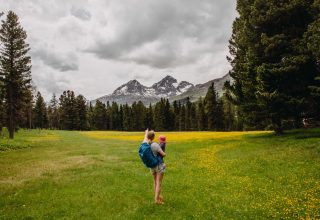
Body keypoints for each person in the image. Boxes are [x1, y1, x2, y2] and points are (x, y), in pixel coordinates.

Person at [142, 129, 166, 204]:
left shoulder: (145, 143)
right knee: (159, 182)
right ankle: (157, 200)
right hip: (158, 165)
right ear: (153, 137)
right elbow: (163, 154)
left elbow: (145, 138)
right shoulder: (155, 145)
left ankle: (157, 196)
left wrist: (146, 133)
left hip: (151, 166)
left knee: (155, 181)